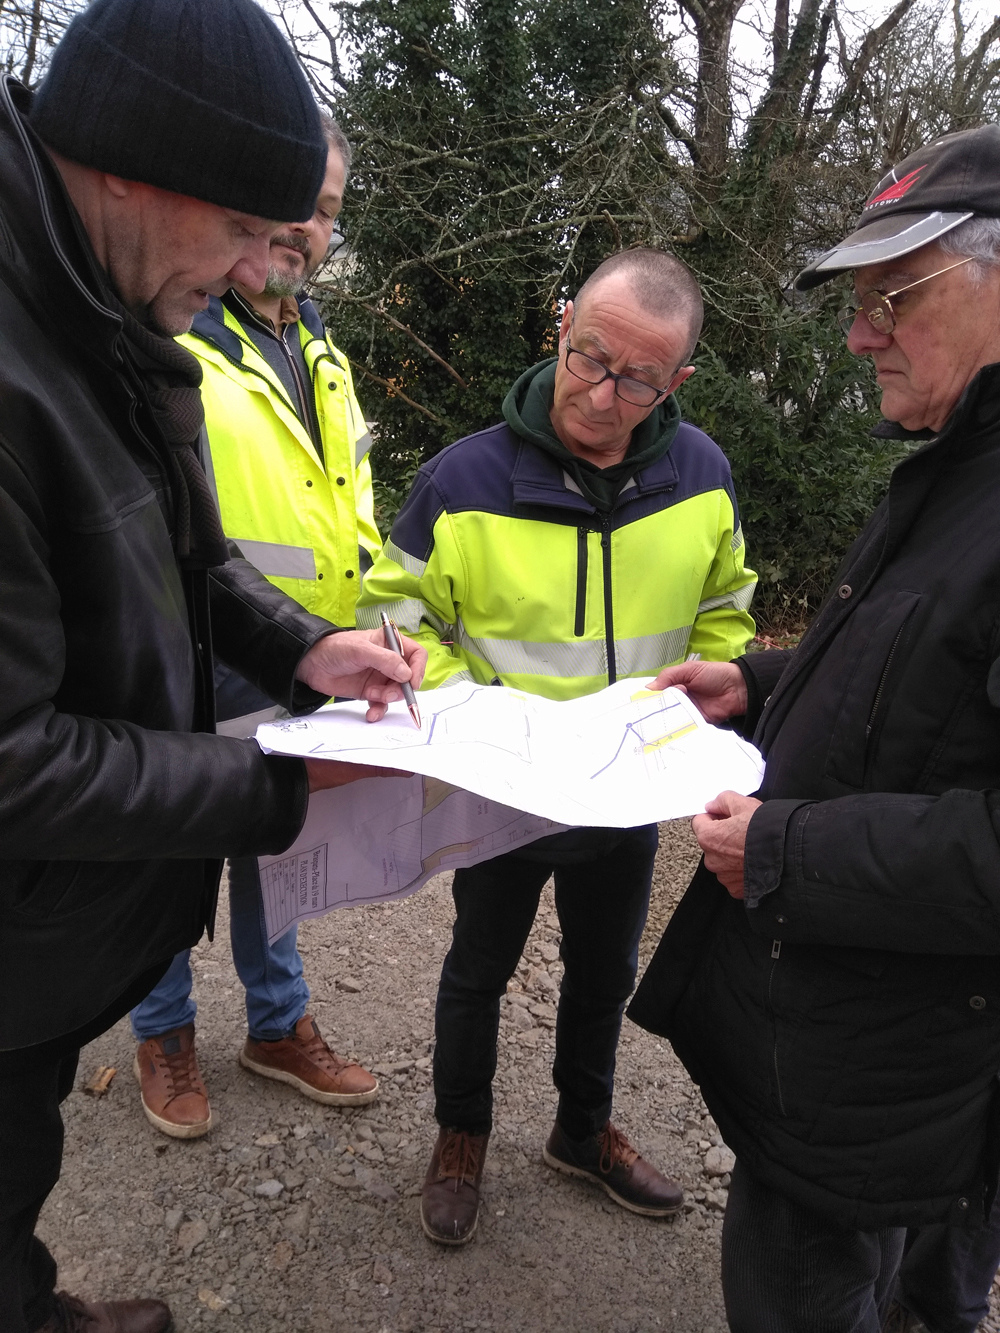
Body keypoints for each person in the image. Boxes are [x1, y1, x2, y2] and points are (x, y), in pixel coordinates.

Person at [0, 2, 425, 1331]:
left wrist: (308, 649)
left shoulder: (112, 312)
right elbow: (11, 761)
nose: (265, 263)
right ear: (129, 162)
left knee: (17, 1153)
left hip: (50, 923)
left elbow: (197, 559)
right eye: (247, 225)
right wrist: (280, 792)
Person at [630, 125, 1000, 1332]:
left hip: (902, 1072)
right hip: (882, 1059)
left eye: (891, 294)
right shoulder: (960, 461)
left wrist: (786, 853)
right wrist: (766, 682)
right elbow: (932, 680)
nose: (856, 334)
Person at [357, 248, 757, 1245]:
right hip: (499, 790)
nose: (601, 392)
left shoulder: (701, 475)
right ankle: (461, 1132)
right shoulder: (463, 477)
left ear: (678, 383)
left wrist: (692, 715)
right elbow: (396, 623)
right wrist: (483, 715)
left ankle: (582, 1130)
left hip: (622, 797)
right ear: (563, 321)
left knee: (601, 970)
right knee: (476, 968)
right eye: (589, 357)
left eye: (637, 379)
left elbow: (726, 616)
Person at [129, 119, 384, 1138]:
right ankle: (162, 1026)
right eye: (291, 199)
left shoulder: (317, 344)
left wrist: (366, 623)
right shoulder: (176, 327)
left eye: (325, 208)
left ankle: (275, 1024)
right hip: (187, 650)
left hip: (297, 651)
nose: (305, 226)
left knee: (277, 846)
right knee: (167, 840)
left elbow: (350, 500)